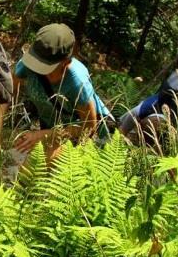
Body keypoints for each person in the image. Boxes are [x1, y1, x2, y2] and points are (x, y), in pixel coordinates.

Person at [11, 23, 114, 158]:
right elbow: (8, 93)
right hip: (51, 130)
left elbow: (89, 128)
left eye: (46, 67)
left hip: (82, 137)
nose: (38, 70)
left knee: (34, 170)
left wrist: (44, 135)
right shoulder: (27, 65)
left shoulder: (77, 81)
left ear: (66, 62)